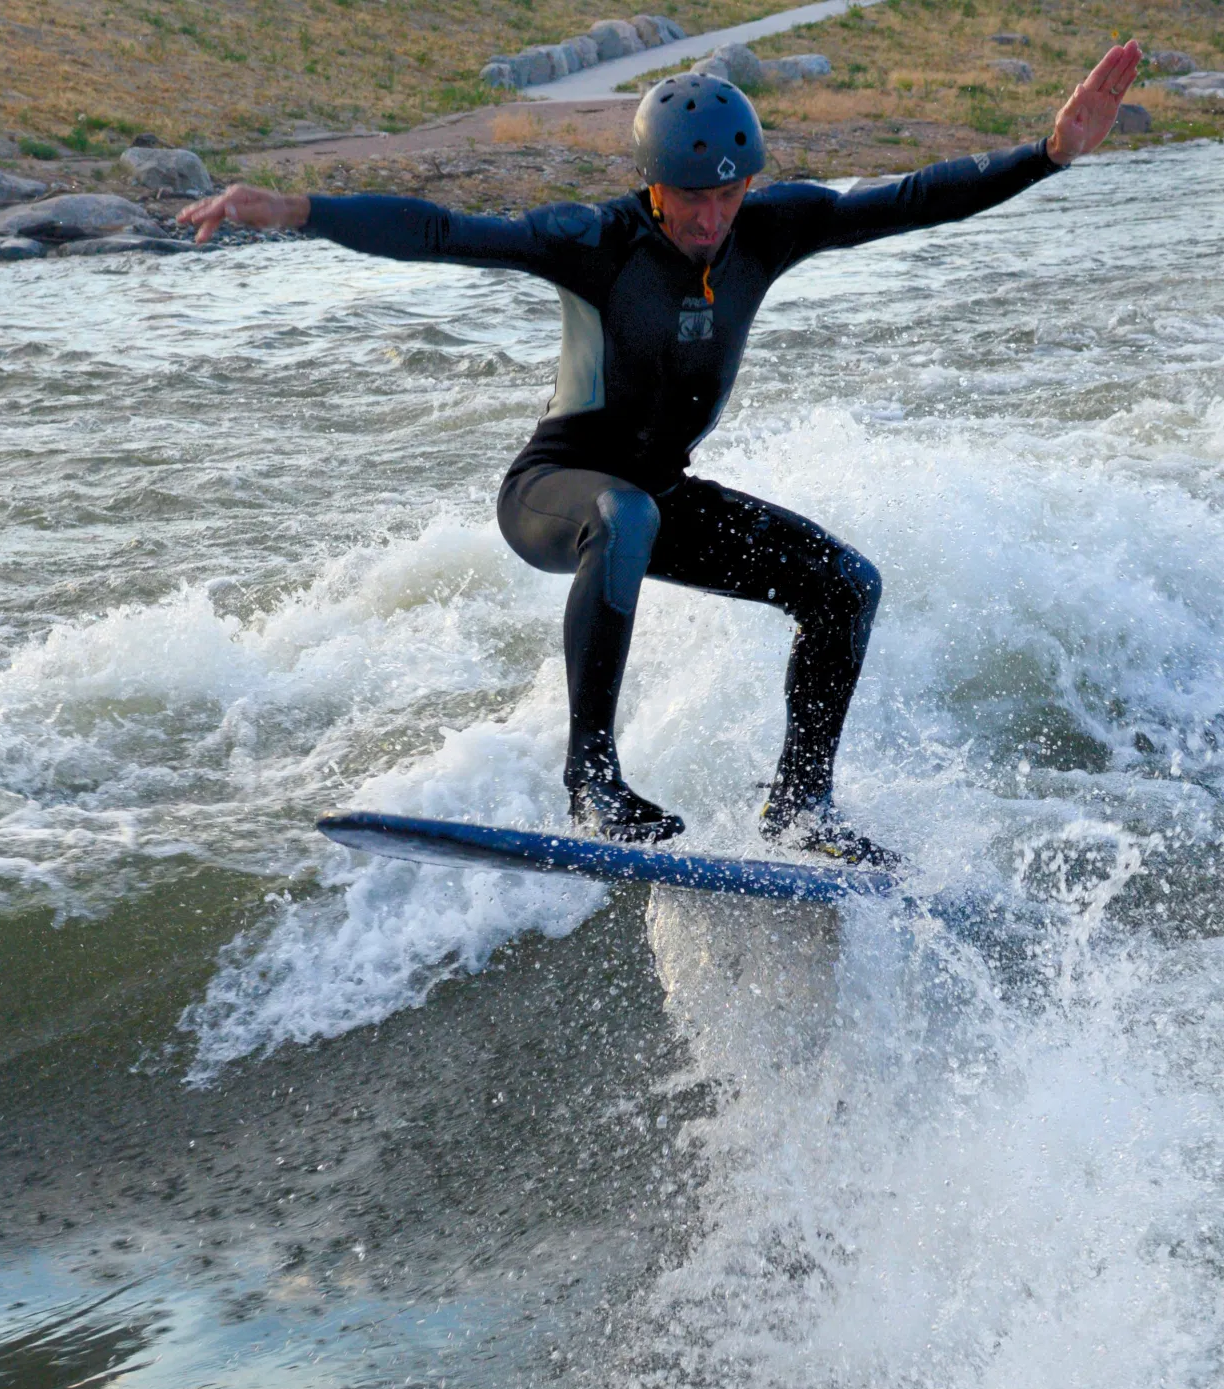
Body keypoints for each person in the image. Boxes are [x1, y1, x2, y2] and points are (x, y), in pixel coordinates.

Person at [181, 41, 1142, 864]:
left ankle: (801, 811)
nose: (710, 218)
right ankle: (591, 782)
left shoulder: (771, 229)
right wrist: (297, 209)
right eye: (689, 198)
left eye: (727, 195)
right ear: (653, 182)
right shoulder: (593, 240)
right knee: (624, 512)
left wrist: (1048, 154)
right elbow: (441, 231)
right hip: (556, 492)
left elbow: (911, 199)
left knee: (843, 586)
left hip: (656, 495)